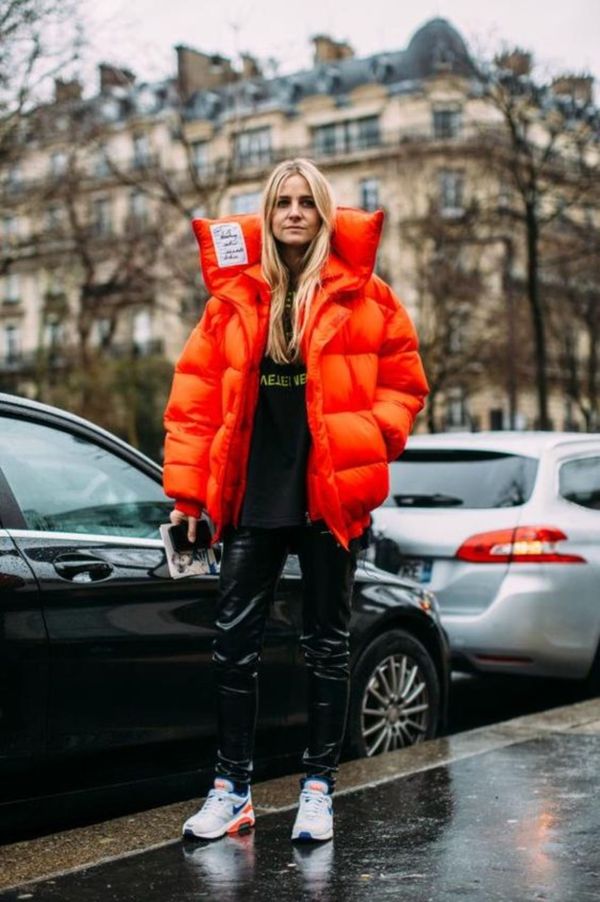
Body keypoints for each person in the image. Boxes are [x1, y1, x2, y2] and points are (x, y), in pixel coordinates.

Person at [163, 158, 429, 843]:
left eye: (306, 202)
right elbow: (193, 404)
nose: (292, 213)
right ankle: (232, 789)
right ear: (266, 211)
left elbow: (405, 383)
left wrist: (369, 438)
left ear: (324, 212)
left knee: (328, 647)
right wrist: (188, 496)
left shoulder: (366, 296)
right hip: (253, 495)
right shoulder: (233, 298)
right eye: (282, 201)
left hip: (327, 499)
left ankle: (318, 788)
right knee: (233, 647)